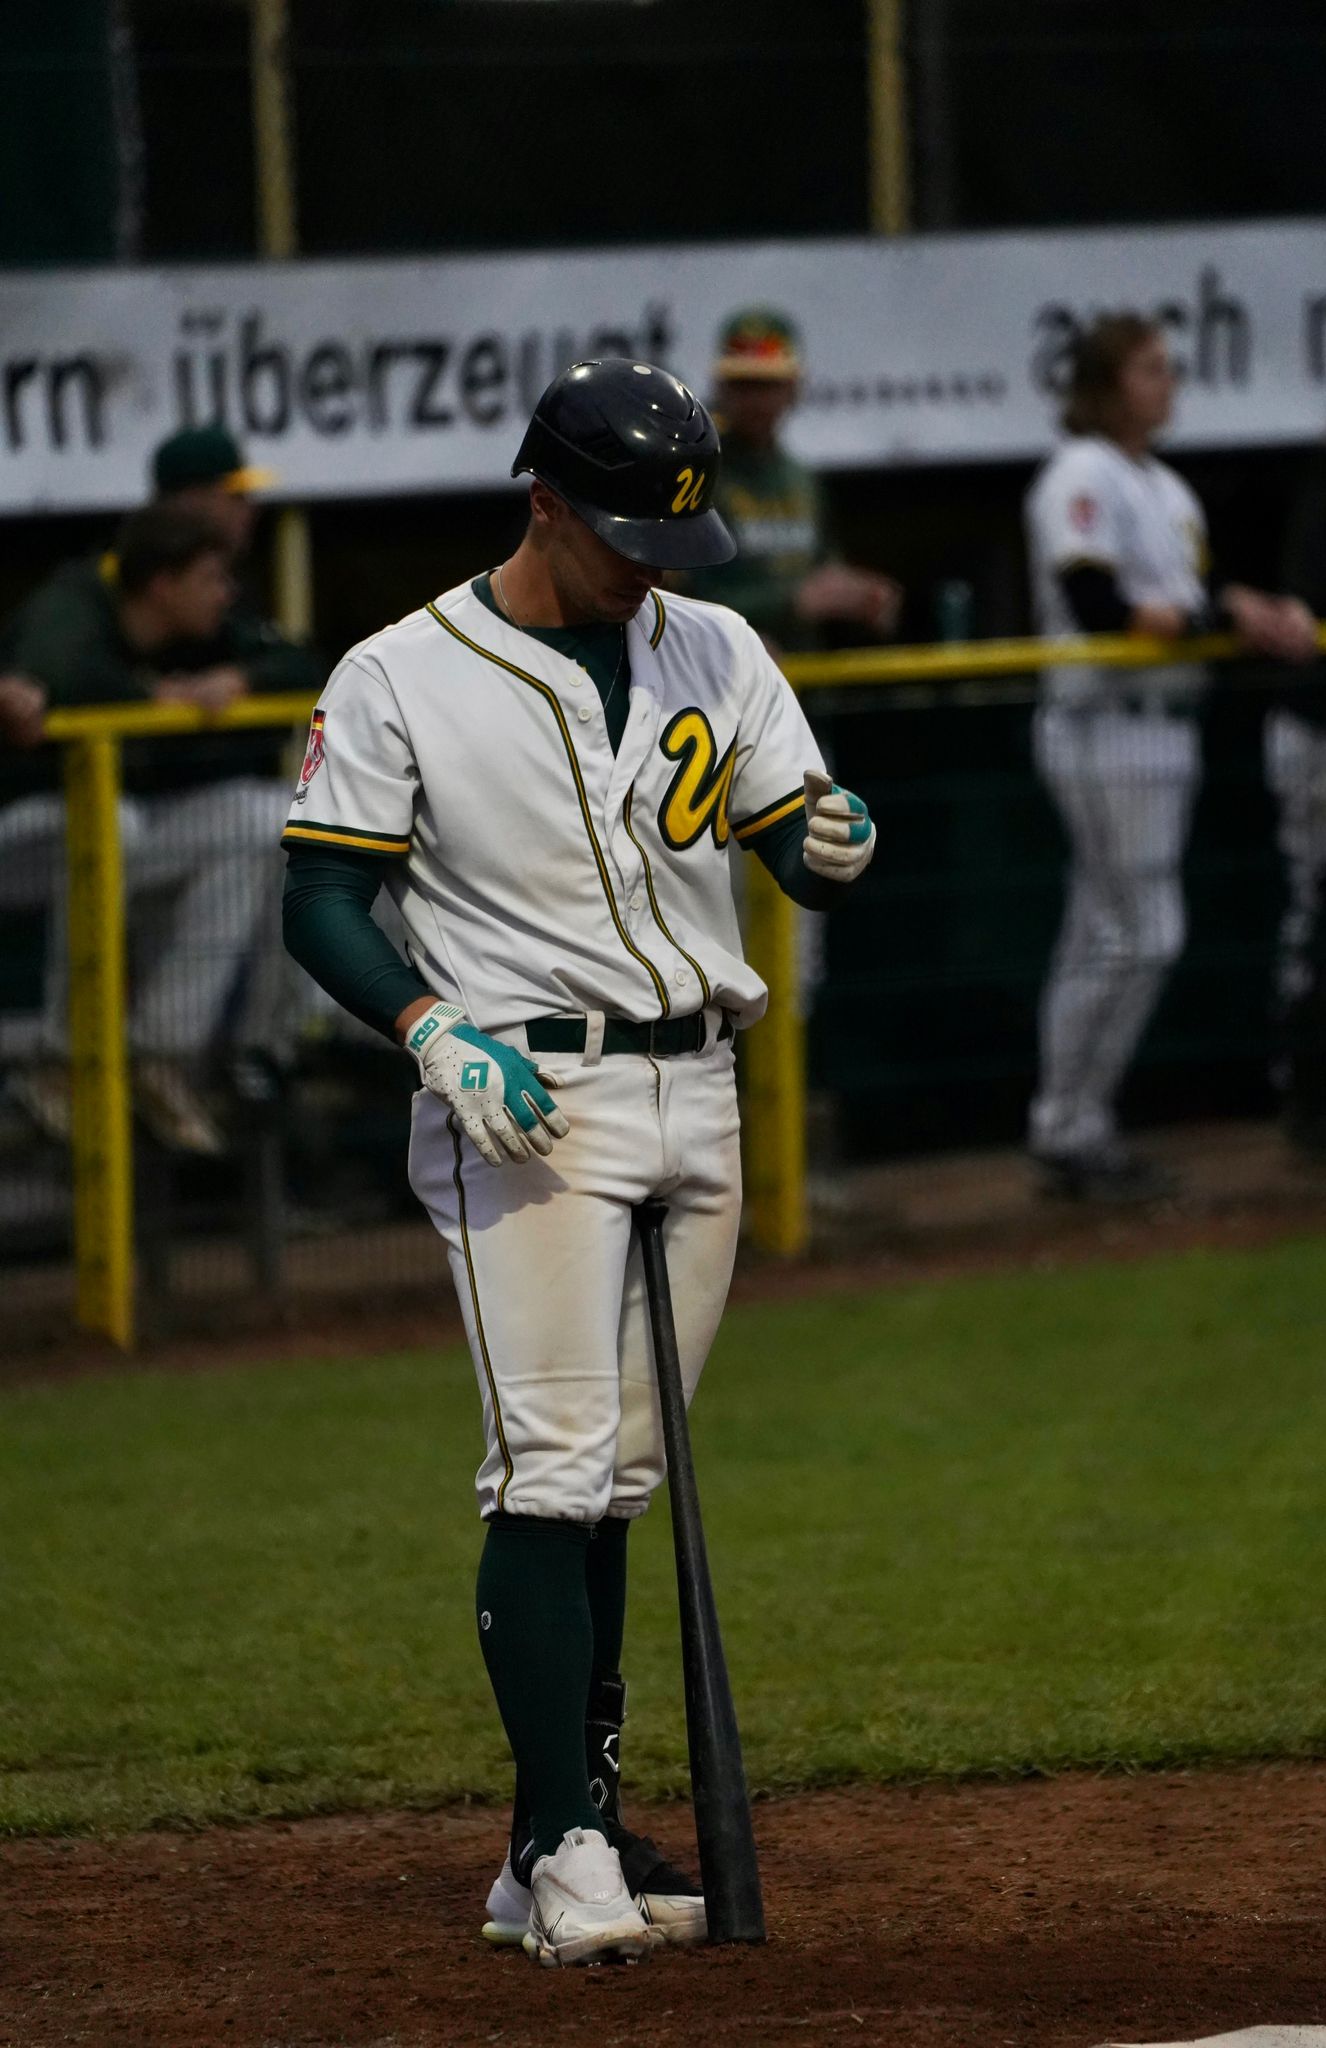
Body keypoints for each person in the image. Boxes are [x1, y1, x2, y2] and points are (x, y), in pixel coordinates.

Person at [281, 358, 877, 1967]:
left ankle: (562, 1832)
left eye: (676, 536)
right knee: (548, 1470)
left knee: (619, 1475)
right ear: (542, 500)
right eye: (626, 534)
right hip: (524, 1099)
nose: (651, 567)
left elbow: (793, 837)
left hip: (702, 1089)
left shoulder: (715, 643)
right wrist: (430, 1030)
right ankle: (561, 1844)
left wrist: (829, 844)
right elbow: (320, 899)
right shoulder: (402, 672)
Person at [1025, 312, 1316, 1202]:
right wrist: (1220, 614)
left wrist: (1253, 608)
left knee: (1100, 933)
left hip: (1160, 727)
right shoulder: (1081, 472)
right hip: (1106, 722)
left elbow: (1188, 595)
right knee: (1144, 933)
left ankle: (1071, 1126)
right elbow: (1096, 603)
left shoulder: (1166, 487)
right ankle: (1072, 1127)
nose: (1168, 381)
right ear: (1107, 385)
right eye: (1150, 368)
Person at [0, 504, 299, 1153]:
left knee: (261, 818)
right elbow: (60, 679)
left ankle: (162, 1052)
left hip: (102, 833)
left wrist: (240, 677)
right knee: (111, 823)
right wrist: (158, 698)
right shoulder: (74, 604)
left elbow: (307, 664)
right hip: (19, 831)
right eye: (211, 579)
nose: (226, 594)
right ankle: (63, 1061)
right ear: (164, 584)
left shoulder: (206, 632)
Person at [1265, 373, 1326, 1161]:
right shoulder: (1323, 507)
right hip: (1324, 740)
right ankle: (1315, 1105)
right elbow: (1311, 607)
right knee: (1325, 918)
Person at [682, 307, 901, 653]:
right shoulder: (697, 477)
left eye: (767, 385)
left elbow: (826, 570)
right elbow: (681, 598)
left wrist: (862, 596)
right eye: (743, 385)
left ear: (794, 388)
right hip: (721, 668)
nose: (755, 400)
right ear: (720, 388)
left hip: (806, 673)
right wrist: (792, 602)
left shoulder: (802, 480)